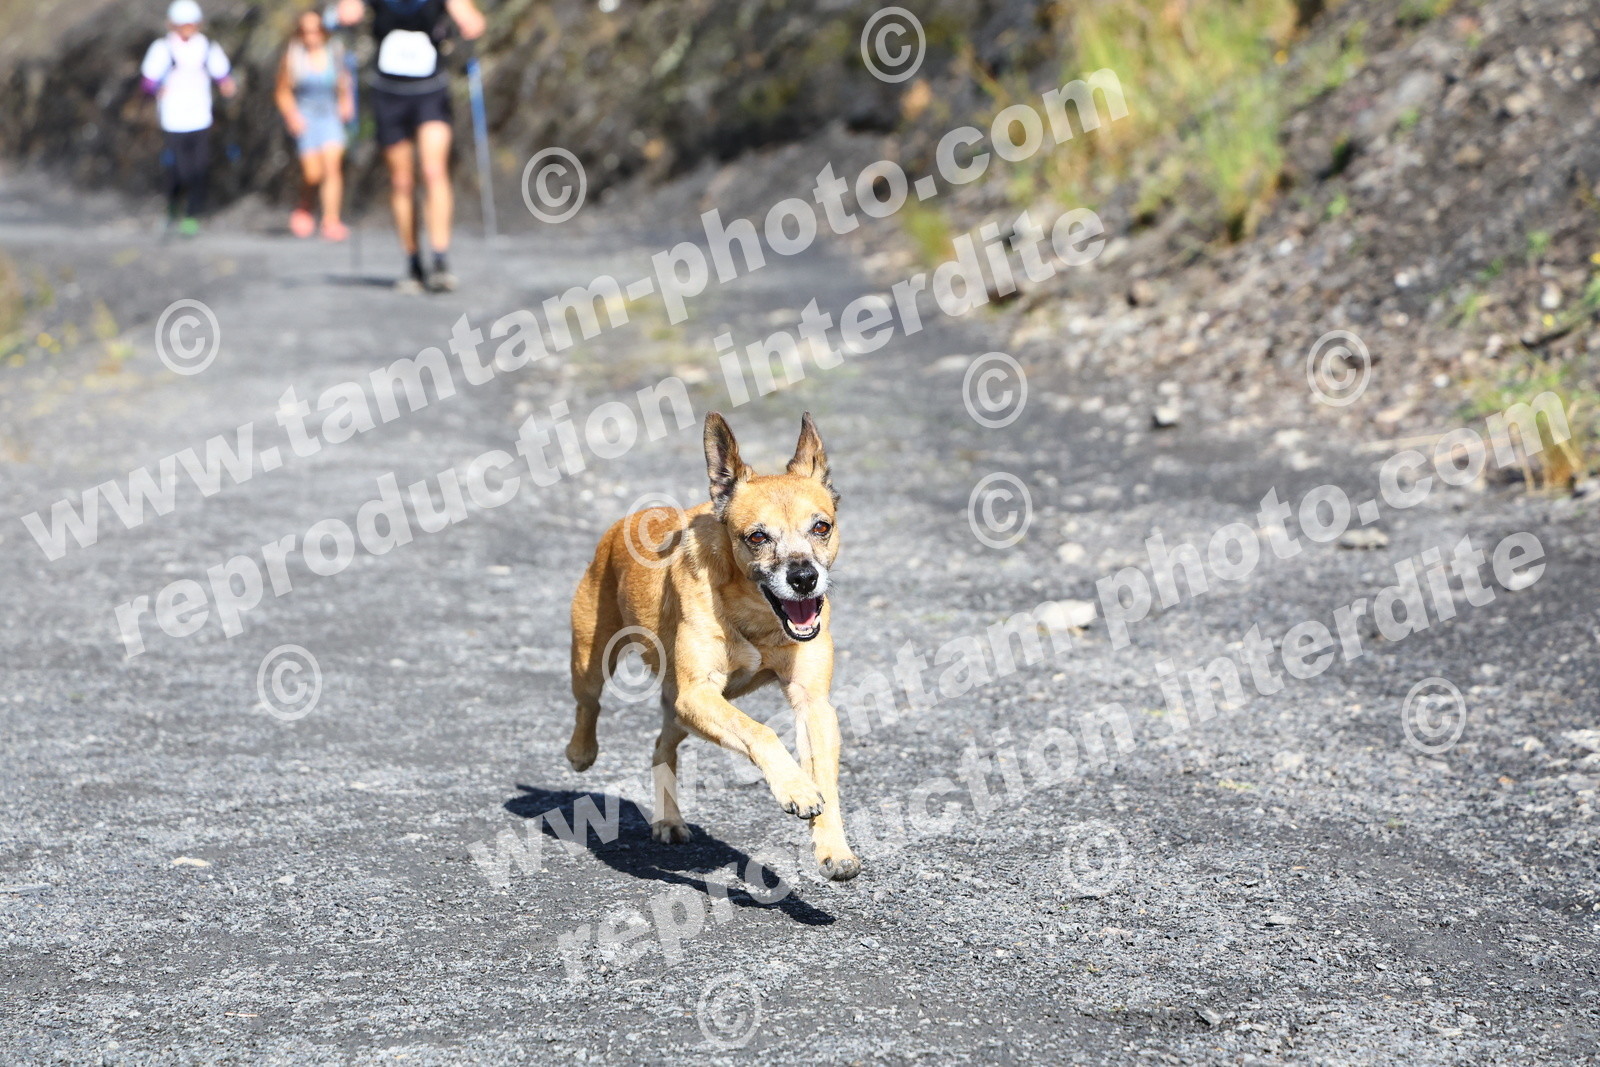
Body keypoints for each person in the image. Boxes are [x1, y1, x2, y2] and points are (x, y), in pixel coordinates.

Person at [333, 0, 486, 293]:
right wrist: (346, 13)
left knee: (433, 170)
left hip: (431, 91)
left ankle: (440, 261)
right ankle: (413, 262)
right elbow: (345, 12)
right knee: (401, 181)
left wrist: (469, 22)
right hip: (388, 93)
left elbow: (473, 20)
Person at [140, 0, 237, 237]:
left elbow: (222, 74)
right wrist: (157, 89)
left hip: (200, 117)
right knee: (179, 170)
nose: (187, 28)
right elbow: (148, 81)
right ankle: (173, 206)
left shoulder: (206, 47)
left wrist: (227, 85)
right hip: (174, 119)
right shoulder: (163, 48)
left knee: (199, 169)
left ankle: (193, 215)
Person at [275, 10, 354, 241]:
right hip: (306, 116)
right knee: (313, 173)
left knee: (332, 166)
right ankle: (305, 205)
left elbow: (344, 82)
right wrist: (292, 116)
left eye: (316, 30)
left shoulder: (334, 53)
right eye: (306, 31)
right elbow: (282, 91)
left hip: (329, 115)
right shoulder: (294, 56)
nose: (312, 36)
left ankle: (331, 220)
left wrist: (346, 102)